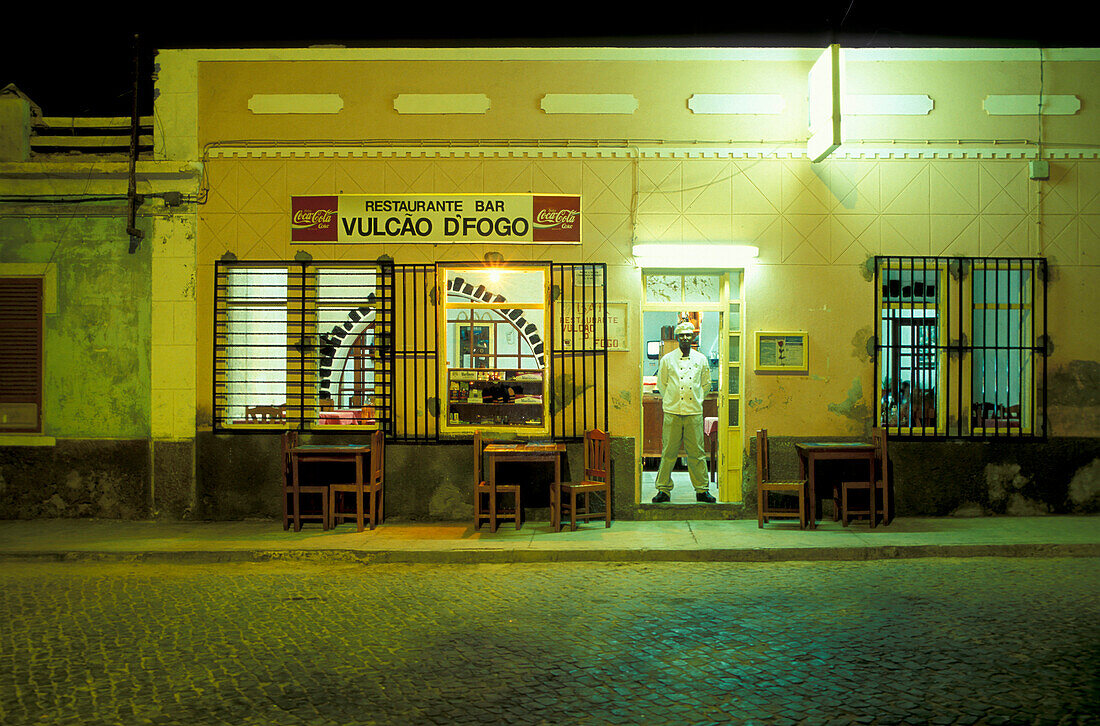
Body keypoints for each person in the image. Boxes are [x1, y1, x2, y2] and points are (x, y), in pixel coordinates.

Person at [652, 320, 716, 503]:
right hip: (672, 412)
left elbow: (706, 385)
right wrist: (671, 400)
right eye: (682, 335)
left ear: (693, 336)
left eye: (688, 335)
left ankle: (702, 490)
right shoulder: (667, 359)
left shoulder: (701, 359)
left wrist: (698, 400)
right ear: (677, 338)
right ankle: (663, 490)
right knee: (668, 452)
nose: (686, 338)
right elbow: (661, 384)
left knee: (697, 452)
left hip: (694, 412)